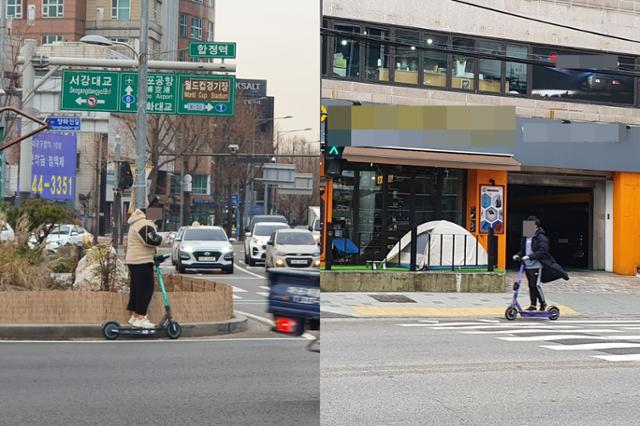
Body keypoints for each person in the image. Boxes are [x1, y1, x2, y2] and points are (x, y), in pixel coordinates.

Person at [513, 216, 569, 311]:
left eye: (529, 225)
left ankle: (543, 303)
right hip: (527, 265)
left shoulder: (541, 237)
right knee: (531, 285)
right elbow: (523, 250)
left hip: (537, 265)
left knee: (535, 285)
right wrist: (518, 255)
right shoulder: (526, 237)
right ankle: (533, 305)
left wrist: (530, 257)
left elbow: (543, 251)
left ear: (536, 226)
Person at [125, 209, 163, 328]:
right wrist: (162, 238)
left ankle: (135, 316)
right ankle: (141, 316)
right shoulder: (143, 223)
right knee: (146, 289)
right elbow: (150, 240)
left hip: (135, 260)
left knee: (137, 289)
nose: (157, 216)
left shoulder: (136, 222)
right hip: (141, 260)